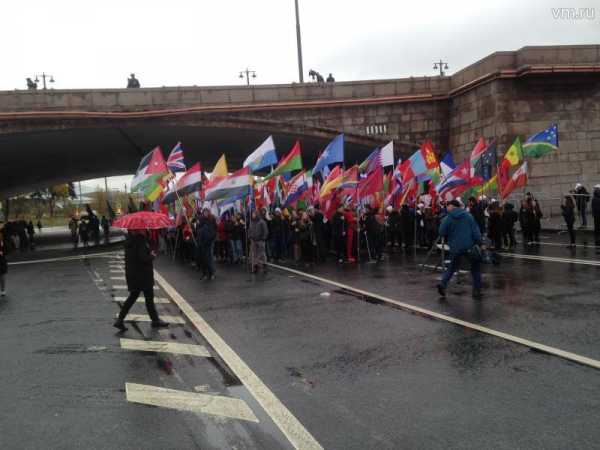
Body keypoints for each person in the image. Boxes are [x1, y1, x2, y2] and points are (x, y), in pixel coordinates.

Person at [113, 230, 168, 331]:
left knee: (132, 297)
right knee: (149, 298)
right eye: (143, 227)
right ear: (137, 229)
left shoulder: (129, 241)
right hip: (143, 275)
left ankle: (120, 320)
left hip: (133, 274)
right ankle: (155, 320)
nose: (145, 228)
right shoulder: (140, 241)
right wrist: (152, 255)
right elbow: (144, 258)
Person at [437, 199, 483, 299]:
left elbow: (441, 232)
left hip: (455, 247)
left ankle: (443, 283)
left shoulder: (448, 218)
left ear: (453, 206)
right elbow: (476, 231)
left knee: (452, 267)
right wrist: (479, 242)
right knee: (475, 267)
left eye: (447, 206)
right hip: (469, 246)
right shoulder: (468, 216)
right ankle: (476, 290)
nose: (446, 208)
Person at [197, 209, 217, 280]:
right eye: (204, 212)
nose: (206, 213)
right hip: (202, 243)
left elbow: (215, 229)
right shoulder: (201, 220)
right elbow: (197, 230)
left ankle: (212, 273)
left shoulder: (211, 219)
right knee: (203, 259)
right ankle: (205, 274)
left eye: (207, 212)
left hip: (209, 242)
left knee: (209, 258)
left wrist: (213, 237)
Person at [0, 227, 7, 296]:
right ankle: (3, 290)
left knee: (2, 275)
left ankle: (3, 290)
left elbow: (7, 249)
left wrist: (2, 252)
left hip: (1, 260)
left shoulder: (3, 241)